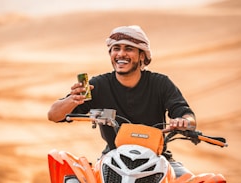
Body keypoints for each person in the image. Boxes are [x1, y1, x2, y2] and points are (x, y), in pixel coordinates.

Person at [47, 25, 196, 178]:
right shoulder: (97, 85)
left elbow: (186, 114)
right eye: (116, 48)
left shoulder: (160, 83)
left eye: (129, 49)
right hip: (111, 159)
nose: (121, 54)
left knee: (194, 180)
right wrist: (72, 100)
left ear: (142, 55)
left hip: (158, 161)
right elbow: (53, 115)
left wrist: (183, 121)